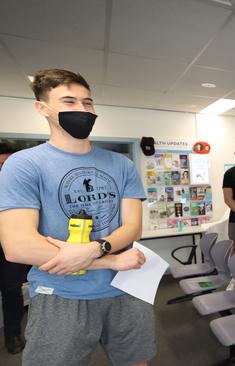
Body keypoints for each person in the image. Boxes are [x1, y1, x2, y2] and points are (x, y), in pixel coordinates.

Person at [0, 69, 155, 366]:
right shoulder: (23, 165)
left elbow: (133, 226)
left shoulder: (120, 164)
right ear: (41, 108)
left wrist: (97, 248)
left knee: (136, 361)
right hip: (60, 293)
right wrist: (110, 260)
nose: (82, 110)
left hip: (127, 287)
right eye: (69, 101)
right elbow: (18, 245)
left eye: (88, 102)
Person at [0, 145, 31, 354]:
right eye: (1, 164)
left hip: (11, 248)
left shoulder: (23, 184)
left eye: (7, 164)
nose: (4, 169)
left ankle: (12, 334)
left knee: (12, 291)